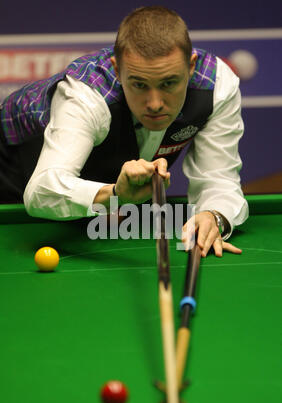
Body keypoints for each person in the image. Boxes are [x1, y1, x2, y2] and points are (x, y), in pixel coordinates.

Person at [0, 6, 248, 257]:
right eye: (139, 84)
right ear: (117, 70)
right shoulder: (85, 95)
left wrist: (214, 216)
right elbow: (42, 190)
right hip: (9, 176)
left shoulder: (217, 87)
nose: (154, 103)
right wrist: (115, 195)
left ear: (191, 66)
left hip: (84, 202)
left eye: (168, 83)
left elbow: (218, 177)